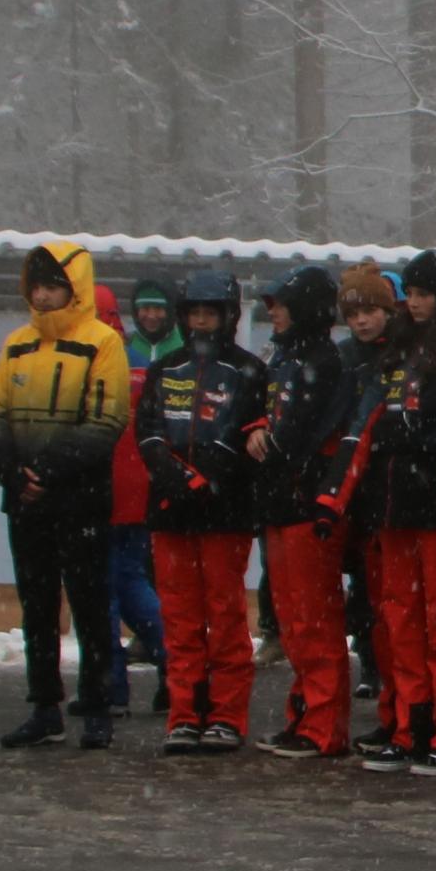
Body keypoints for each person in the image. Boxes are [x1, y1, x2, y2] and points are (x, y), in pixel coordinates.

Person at [342, 250, 436, 776]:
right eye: (412, 293)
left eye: (426, 293)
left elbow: (434, 425)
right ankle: (411, 726)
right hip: (396, 503)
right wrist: (394, 431)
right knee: (400, 618)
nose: (417, 302)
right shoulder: (399, 350)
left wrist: (393, 431)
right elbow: (386, 419)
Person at [0, 243, 132, 750]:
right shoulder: (16, 345)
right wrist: (11, 474)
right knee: (37, 607)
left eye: (54, 286)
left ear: (75, 288)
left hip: (80, 498)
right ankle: (44, 707)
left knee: (90, 606)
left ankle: (96, 707)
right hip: (27, 501)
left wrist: (46, 470)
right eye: (37, 286)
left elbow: (107, 420)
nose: (44, 296)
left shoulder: (102, 342)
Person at [136, 269, 268, 754]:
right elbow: (147, 431)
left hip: (224, 512)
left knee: (225, 617)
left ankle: (228, 717)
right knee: (180, 620)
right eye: (194, 312)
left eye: (210, 312)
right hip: (170, 510)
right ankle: (185, 715)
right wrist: (174, 476)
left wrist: (207, 477)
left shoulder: (249, 370)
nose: (201, 321)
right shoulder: (165, 368)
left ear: (228, 316)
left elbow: (246, 436)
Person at [248, 266, 362, 760]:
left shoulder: (325, 361)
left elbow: (302, 435)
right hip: (281, 502)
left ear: (307, 308)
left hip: (306, 504)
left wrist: (271, 448)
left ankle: (325, 725)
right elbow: (263, 416)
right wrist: (256, 430)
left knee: (315, 619)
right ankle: (305, 714)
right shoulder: (283, 358)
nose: (273, 312)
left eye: (282, 303)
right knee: (294, 620)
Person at [107, 275, 179, 717]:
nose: (150, 315)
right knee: (133, 578)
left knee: (125, 581)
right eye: (144, 308)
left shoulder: (172, 355)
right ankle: (172, 666)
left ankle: (126, 678)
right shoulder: (129, 354)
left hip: (144, 483)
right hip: (139, 483)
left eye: (158, 307)